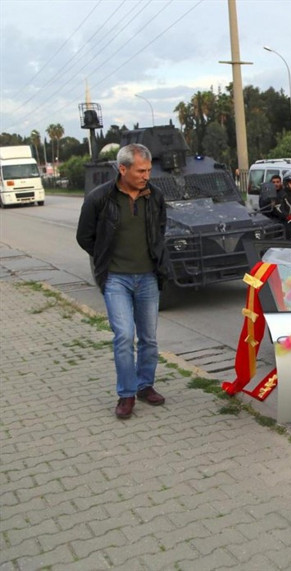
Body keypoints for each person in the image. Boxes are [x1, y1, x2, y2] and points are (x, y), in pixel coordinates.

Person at [76, 143, 168, 420]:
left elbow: (160, 230)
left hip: (148, 277)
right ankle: (126, 394)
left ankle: (145, 386)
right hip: (116, 279)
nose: (146, 176)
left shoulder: (155, 196)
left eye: (149, 170)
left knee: (149, 339)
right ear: (122, 168)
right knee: (125, 336)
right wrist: (105, 258)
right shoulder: (99, 198)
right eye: (141, 170)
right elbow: (84, 236)